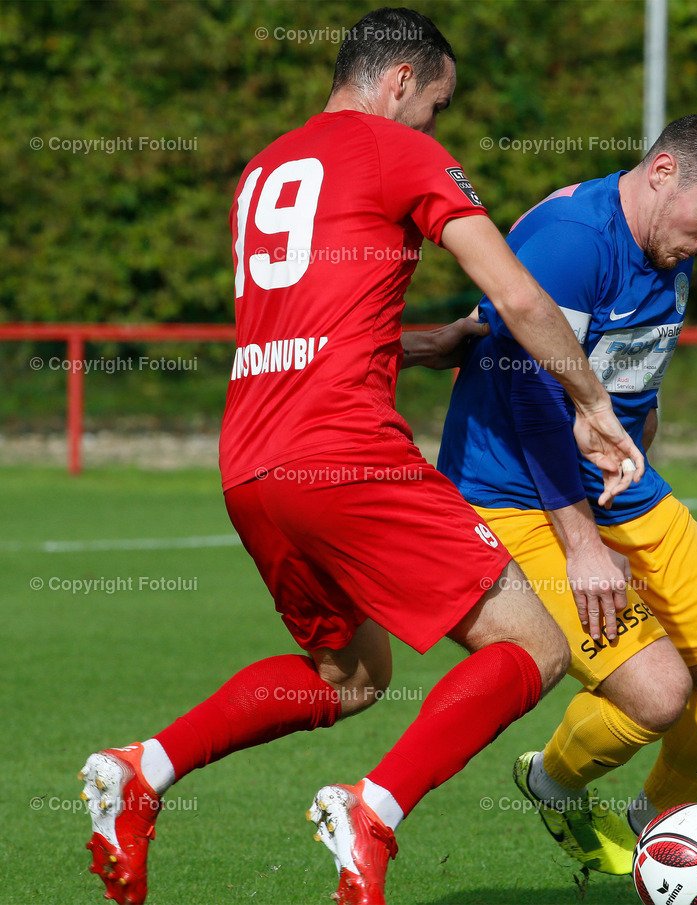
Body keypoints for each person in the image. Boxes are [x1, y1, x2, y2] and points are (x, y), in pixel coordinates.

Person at [77, 9, 644, 905]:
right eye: (437, 104)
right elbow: (522, 295)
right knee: (535, 644)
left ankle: (141, 767)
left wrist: (435, 342)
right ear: (400, 81)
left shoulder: (265, 166)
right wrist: (593, 401)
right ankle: (372, 808)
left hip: (251, 464)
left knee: (349, 680)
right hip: (345, 457)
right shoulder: (397, 150)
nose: (436, 128)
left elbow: (319, 331)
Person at [436, 114, 697, 875]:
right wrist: (585, 542)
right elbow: (530, 399)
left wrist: (632, 482)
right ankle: (553, 782)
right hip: (520, 492)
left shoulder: (670, 247)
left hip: (620, 491)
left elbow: (633, 389)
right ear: (662, 172)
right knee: (658, 694)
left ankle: (663, 832)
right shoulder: (574, 239)